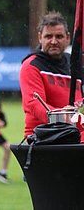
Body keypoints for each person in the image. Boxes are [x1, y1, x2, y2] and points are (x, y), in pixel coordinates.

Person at [20, 11, 84, 139]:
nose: (54, 41)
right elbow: (34, 104)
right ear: (40, 37)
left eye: (59, 36)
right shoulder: (31, 65)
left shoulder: (75, 64)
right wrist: (65, 117)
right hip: (44, 139)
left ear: (68, 37)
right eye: (48, 36)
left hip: (75, 137)